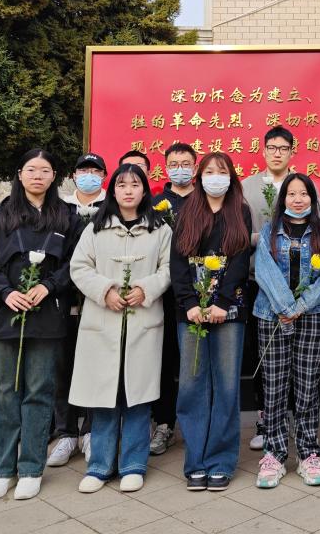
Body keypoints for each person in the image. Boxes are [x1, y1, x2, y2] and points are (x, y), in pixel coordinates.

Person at [0, 149, 83, 501]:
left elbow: (77, 262)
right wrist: (5, 292)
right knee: (5, 392)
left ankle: (32, 468)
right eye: (31, 170)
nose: (38, 176)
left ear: (54, 177)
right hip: (4, 316)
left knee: (39, 391)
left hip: (48, 316)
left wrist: (49, 286)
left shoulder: (67, 216)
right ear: (19, 174)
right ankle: (2, 470)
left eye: (45, 170)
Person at [69, 163, 173, 493]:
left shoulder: (160, 229)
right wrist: (105, 291)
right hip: (104, 321)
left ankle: (133, 464)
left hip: (143, 322)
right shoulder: (96, 228)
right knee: (104, 397)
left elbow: (169, 268)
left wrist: (146, 289)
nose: (128, 190)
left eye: (135, 184)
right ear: (113, 190)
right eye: (122, 185)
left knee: (137, 397)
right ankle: (99, 466)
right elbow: (79, 267)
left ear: (145, 190)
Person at [171, 152, 252, 491]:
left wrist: (221, 302)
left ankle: (221, 461)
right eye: (209, 172)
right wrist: (190, 304)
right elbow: (177, 262)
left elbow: (240, 261)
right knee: (192, 385)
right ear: (199, 177)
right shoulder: (186, 212)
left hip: (228, 312)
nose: (215, 177)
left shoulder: (240, 211)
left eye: (221, 171)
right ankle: (196, 462)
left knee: (227, 386)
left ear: (231, 177)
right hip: (190, 313)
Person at [253, 173, 320, 488]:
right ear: (283, 199)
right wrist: (285, 307)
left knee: (307, 385)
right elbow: (264, 271)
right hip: (272, 316)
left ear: (312, 199)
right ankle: (274, 453)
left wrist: (300, 307)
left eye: (304, 194)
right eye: (292, 194)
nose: (298, 199)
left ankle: (308, 452)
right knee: (274, 386)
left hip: (311, 315)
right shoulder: (269, 231)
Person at [241, 127, 320, 450]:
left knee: (304, 369)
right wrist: (262, 240)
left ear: (292, 152)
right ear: (263, 150)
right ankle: (267, 423)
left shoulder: (304, 186)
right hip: (259, 285)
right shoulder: (246, 187)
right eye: (272, 147)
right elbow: (238, 233)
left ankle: (301, 432)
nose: (277, 153)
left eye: (283, 148)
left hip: (303, 292)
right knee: (268, 364)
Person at [49, 152, 107, 467]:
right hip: (63, 301)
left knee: (98, 367)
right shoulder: (59, 208)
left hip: (100, 302)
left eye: (95, 171)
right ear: (73, 176)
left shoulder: (112, 207)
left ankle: (93, 431)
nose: (89, 176)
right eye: (83, 170)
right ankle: (66, 432)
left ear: (104, 176)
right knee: (63, 367)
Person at [148, 142, 198, 456]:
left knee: (194, 364)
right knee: (164, 361)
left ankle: (195, 426)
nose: (180, 169)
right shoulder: (154, 203)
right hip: (163, 296)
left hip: (199, 294)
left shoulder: (205, 199)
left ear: (195, 167)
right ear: (165, 167)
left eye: (185, 163)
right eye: (174, 164)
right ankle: (164, 424)